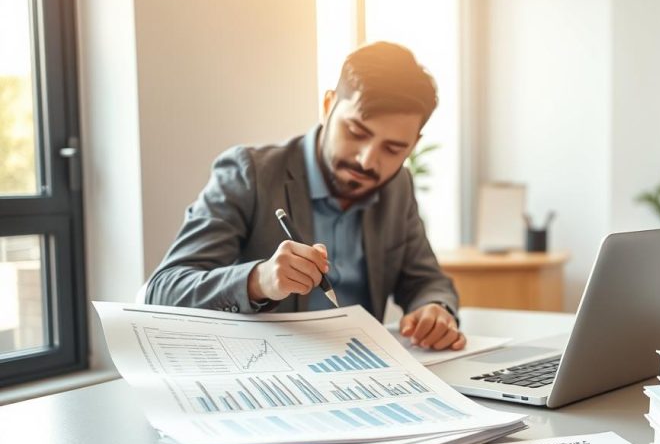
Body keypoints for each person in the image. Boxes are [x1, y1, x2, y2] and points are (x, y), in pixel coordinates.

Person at [146, 42, 465, 351]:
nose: (367, 160)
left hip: (362, 374)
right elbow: (163, 291)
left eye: (393, 149)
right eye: (356, 132)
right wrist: (259, 281)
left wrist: (434, 309)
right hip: (267, 376)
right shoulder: (250, 174)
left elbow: (426, 280)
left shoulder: (398, 187)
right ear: (328, 106)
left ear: (413, 145)